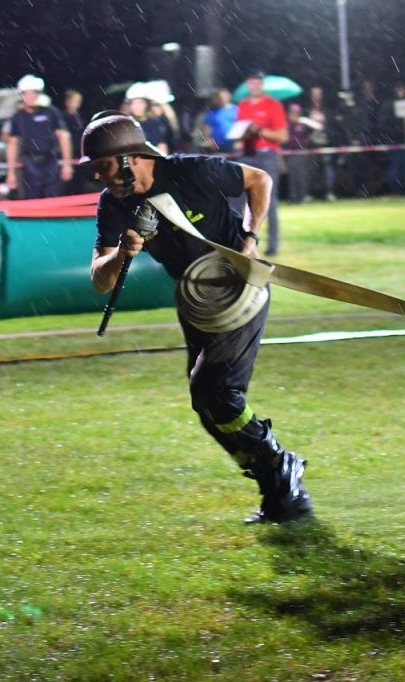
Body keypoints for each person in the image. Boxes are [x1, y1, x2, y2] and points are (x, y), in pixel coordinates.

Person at [84, 112, 312, 525]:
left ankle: (279, 464)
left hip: (240, 288)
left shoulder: (193, 171)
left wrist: (250, 238)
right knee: (206, 403)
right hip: (194, 298)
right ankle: (279, 486)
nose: (99, 177)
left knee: (215, 390)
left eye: (102, 167)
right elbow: (100, 281)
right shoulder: (113, 204)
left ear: (130, 158)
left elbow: (260, 180)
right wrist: (122, 253)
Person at [234, 71, 288, 254]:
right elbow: (239, 134)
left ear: (262, 84)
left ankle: (273, 246)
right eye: (251, 83)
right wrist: (241, 134)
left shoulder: (273, 104)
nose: (254, 86)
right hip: (247, 155)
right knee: (236, 199)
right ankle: (237, 242)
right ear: (248, 84)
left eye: (257, 83)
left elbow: (282, 136)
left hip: (266, 156)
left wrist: (260, 131)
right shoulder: (243, 105)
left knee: (269, 202)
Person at [3, 74, 72, 199]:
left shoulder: (51, 112)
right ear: (22, 95)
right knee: (32, 201)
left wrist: (67, 164)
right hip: (29, 164)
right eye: (26, 93)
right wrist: (11, 173)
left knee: (54, 200)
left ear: (38, 93)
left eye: (33, 92)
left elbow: (64, 138)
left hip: (51, 162)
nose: (30, 96)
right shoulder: (18, 117)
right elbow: (12, 144)